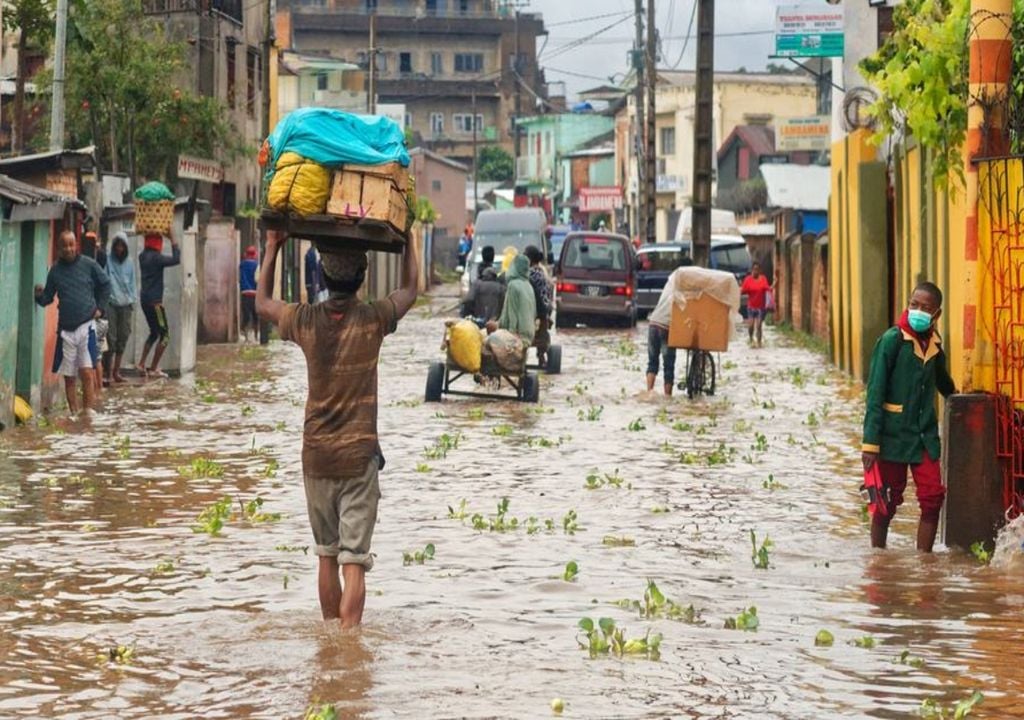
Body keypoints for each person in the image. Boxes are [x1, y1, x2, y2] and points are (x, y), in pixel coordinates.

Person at [256, 233, 418, 629]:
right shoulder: (373, 319)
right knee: (354, 563)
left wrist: (274, 246)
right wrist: (409, 240)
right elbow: (411, 290)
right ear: (363, 277)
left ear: (323, 278)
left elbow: (261, 303)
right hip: (358, 457)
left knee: (327, 554)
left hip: (317, 455)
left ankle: (331, 643)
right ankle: (348, 649)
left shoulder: (305, 320)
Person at [862, 281, 956, 552]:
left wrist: (956, 396)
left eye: (925, 308)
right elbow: (875, 393)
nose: (918, 310)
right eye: (914, 304)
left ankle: (925, 565)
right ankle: (878, 560)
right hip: (891, 436)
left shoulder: (935, 345)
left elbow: (942, 380)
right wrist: (870, 444)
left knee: (932, 497)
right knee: (886, 501)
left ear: (936, 314)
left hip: (924, 436)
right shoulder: (892, 341)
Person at [34, 230, 111, 414]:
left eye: (71, 244)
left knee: (86, 372)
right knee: (69, 376)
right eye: (64, 245)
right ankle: (74, 414)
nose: (68, 248)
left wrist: (100, 308)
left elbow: (105, 284)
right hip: (66, 330)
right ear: (58, 248)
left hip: (86, 325)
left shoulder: (88, 264)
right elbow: (48, 298)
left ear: (76, 245)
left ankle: (87, 413)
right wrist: (38, 295)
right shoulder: (55, 272)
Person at [137, 231, 180, 378]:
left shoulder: (142, 257)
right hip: (156, 303)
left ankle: (141, 363)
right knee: (165, 335)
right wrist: (173, 239)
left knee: (154, 332)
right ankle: (153, 368)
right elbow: (176, 259)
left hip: (144, 300)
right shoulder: (157, 258)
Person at [647, 254, 690, 396]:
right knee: (668, 366)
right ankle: (667, 398)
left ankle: (649, 392)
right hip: (666, 327)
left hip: (653, 323)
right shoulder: (686, 285)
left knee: (652, 363)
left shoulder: (671, 280)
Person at [105, 232, 136, 384]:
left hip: (126, 305)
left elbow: (132, 283)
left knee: (122, 338)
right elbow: (104, 280)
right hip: (110, 304)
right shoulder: (108, 261)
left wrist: (132, 302)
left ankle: (116, 372)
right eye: (117, 246)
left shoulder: (130, 263)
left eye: (122, 246)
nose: (119, 249)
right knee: (110, 338)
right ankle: (108, 373)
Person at [491, 254, 536, 344]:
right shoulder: (529, 285)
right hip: (530, 334)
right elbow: (533, 312)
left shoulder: (513, 285)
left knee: (489, 328)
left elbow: (512, 313)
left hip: (517, 334)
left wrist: (511, 335)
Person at [523, 245, 552, 366]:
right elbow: (547, 297)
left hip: (530, 313)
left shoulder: (527, 275)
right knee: (543, 328)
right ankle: (541, 355)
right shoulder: (543, 274)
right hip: (542, 314)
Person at [740, 261, 772, 348]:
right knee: (750, 326)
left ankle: (759, 342)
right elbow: (742, 291)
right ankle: (750, 338)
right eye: (754, 269)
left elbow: (768, 289)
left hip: (760, 308)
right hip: (751, 307)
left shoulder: (763, 279)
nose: (755, 271)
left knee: (759, 326)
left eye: (757, 270)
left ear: (759, 270)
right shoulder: (748, 280)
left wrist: (774, 285)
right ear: (752, 270)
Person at [239, 245, 259, 343]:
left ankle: (245, 336)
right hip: (255, 294)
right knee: (255, 317)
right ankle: (256, 336)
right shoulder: (257, 265)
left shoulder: (242, 264)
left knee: (246, 316)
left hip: (245, 293)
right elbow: (258, 279)